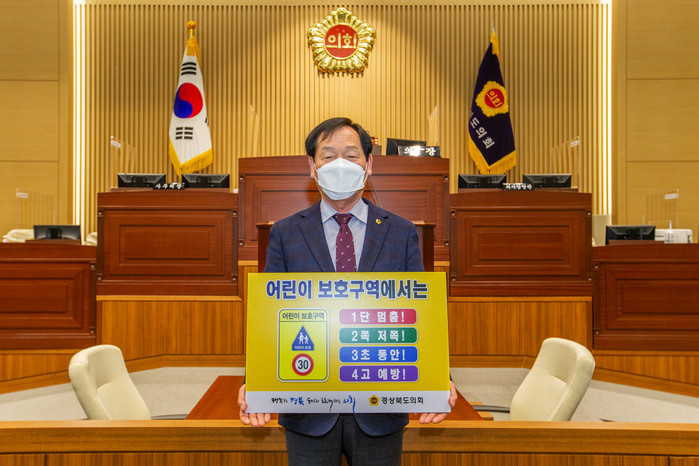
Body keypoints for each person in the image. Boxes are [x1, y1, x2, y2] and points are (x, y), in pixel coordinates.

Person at [238, 117, 457, 466]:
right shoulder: (285, 233)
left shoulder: (401, 233)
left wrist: (438, 379)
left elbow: (422, 314)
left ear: (368, 164)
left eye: (351, 155)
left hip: (380, 408)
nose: (340, 164)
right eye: (328, 156)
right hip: (306, 407)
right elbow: (269, 317)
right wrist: (256, 382)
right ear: (312, 167)